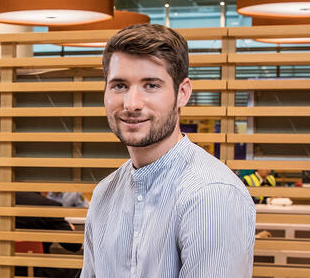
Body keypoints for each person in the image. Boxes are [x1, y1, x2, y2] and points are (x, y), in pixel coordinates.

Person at [80, 24, 255, 277]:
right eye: (119, 86)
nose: (132, 104)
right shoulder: (104, 194)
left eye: (151, 85)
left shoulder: (211, 195)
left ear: (182, 93)